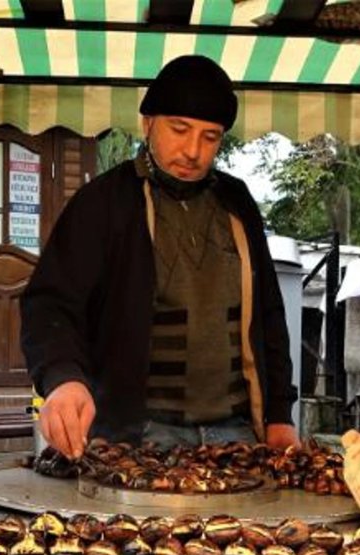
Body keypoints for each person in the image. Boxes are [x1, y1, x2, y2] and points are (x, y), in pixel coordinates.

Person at [21, 55, 297, 459]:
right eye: (179, 129)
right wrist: (63, 379)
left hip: (236, 432)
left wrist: (279, 414)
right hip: (136, 434)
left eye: (210, 136)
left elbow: (269, 314)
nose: (192, 151)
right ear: (148, 123)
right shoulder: (103, 202)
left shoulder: (237, 203)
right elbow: (50, 304)